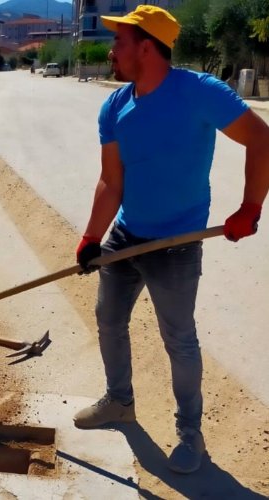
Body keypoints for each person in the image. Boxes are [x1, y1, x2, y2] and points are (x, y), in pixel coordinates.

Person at [73, 5, 269, 474]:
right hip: (126, 235)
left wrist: (250, 208)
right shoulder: (115, 105)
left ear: (146, 47)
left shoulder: (199, 93)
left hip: (177, 244)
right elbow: (110, 181)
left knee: (179, 340)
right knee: (108, 320)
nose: (111, 50)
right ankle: (119, 401)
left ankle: (190, 433)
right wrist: (91, 237)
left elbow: (262, 140)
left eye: (120, 41)